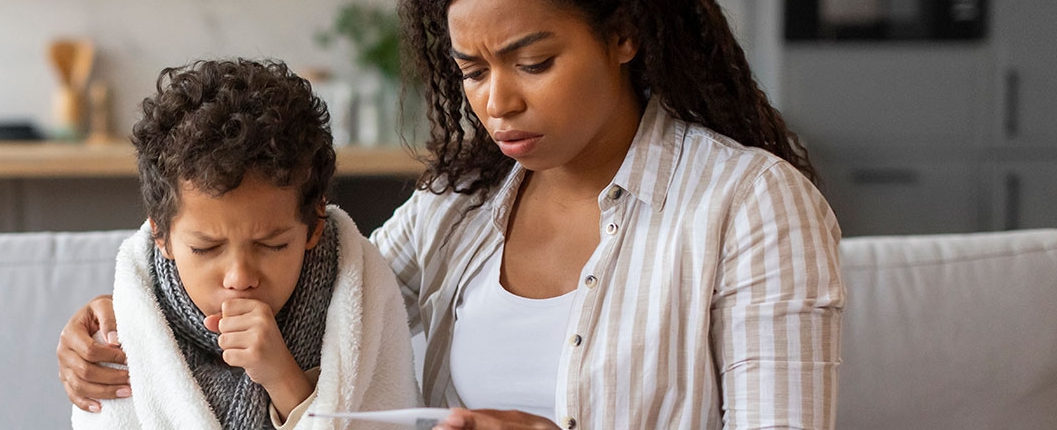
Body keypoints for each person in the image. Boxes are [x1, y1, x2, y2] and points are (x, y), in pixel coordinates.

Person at [58, 0, 846, 428]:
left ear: (625, 31)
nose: (496, 102)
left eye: (533, 62)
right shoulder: (458, 208)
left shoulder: (749, 204)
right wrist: (134, 304)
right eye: (471, 70)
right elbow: (303, 271)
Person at [67, 58, 417, 430]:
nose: (239, 277)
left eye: (272, 245)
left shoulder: (357, 294)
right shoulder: (129, 329)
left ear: (313, 226)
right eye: (205, 249)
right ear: (162, 237)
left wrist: (284, 380)